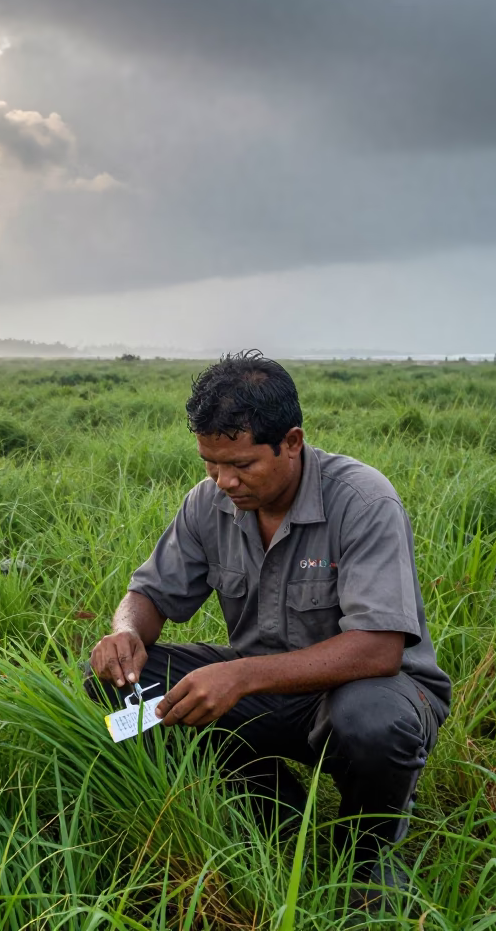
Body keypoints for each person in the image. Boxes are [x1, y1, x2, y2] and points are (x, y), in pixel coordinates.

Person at [88, 351, 451, 896]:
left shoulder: (362, 499)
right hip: (264, 689)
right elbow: (149, 593)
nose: (224, 482)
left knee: (373, 722)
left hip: (366, 690)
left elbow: (378, 651)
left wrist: (240, 677)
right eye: (211, 465)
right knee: (115, 685)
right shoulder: (208, 502)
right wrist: (126, 633)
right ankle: (273, 806)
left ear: (293, 442)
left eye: (242, 465)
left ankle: (371, 856)